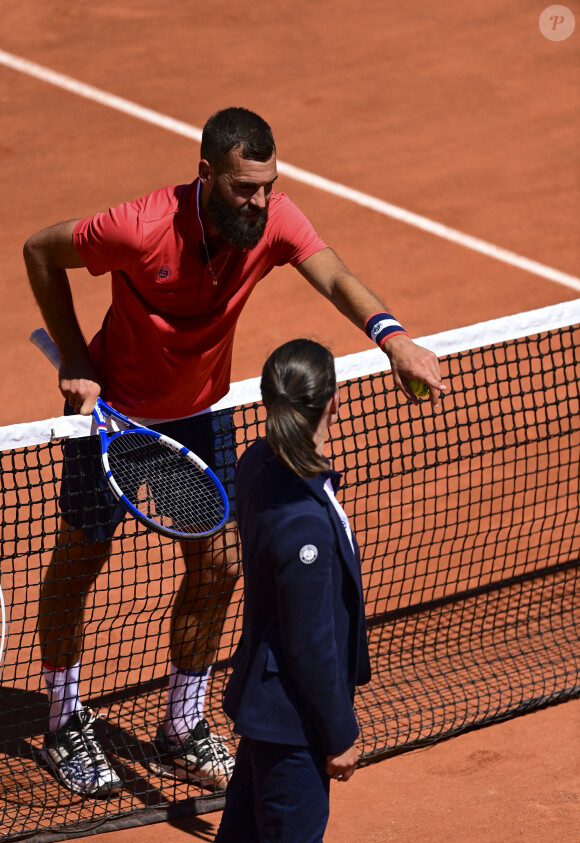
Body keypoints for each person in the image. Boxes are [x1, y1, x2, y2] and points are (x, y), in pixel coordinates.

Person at [23, 107, 445, 799]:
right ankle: (65, 718)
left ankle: (181, 726)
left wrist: (392, 339)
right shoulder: (139, 227)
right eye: (245, 188)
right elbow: (40, 250)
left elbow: (334, 275)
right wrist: (74, 355)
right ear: (207, 175)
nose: (259, 200)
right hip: (112, 415)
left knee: (219, 564)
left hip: (198, 413)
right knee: (80, 561)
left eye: (267, 185)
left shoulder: (274, 221)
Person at [205, 338, 370, 843]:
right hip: (291, 720)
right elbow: (309, 643)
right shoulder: (303, 520)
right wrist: (340, 733)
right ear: (332, 402)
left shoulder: (258, 462)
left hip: (264, 697)